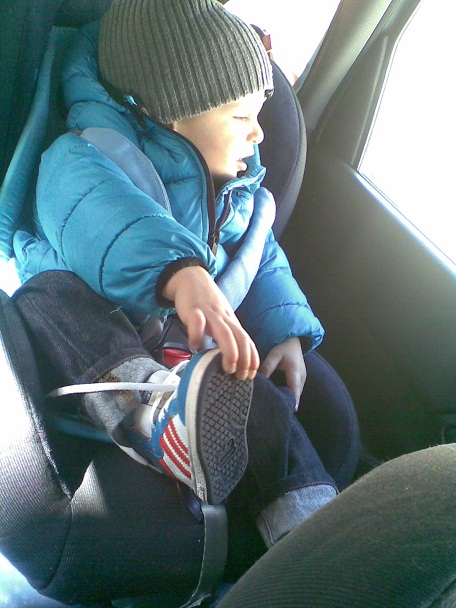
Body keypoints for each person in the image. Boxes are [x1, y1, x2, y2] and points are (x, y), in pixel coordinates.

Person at [12, 0, 358, 550]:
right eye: (241, 118)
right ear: (170, 114)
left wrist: (283, 330)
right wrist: (181, 273)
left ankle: (308, 531)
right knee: (48, 298)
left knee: (256, 386)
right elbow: (103, 216)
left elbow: (260, 259)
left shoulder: (238, 194)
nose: (259, 135)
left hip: (192, 360)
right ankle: (152, 417)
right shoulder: (80, 156)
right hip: (94, 346)